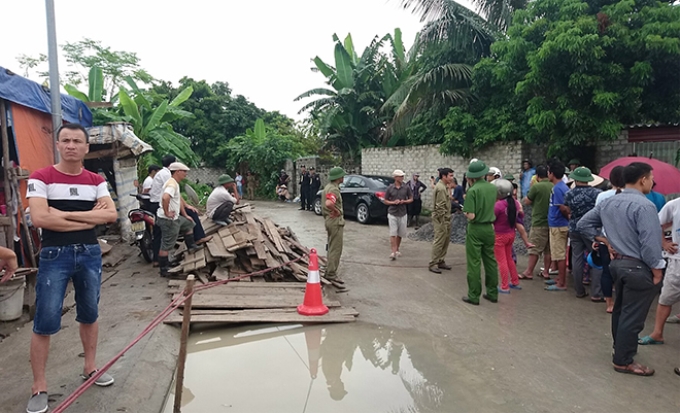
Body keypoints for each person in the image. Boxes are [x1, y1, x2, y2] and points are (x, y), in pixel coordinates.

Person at [26, 124, 119, 413]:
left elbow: (112, 215)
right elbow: (40, 218)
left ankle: (90, 368)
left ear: (86, 147)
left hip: (90, 253)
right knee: (45, 320)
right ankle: (39, 386)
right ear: (57, 144)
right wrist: (90, 218)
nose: (71, 145)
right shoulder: (40, 177)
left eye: (77, 141)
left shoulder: (95, 180)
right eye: (65, 140)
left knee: (90, 313)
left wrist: (63, 213)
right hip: (55, 254)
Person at [577, 162, 664, 377]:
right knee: (633, 316)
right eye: (651, 178)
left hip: (616, 265)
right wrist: (657, 270)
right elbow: (650, 243)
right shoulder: (645, 206)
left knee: (621, 310)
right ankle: (623, 361)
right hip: (637, 267)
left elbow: (583, 224)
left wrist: (604, 240)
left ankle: (620, 349)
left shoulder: (610, 202)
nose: (652, 182)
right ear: (643, 179)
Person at [637, 195, 680, 346]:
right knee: (665, 298)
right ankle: (657, 334)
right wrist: (663, 243)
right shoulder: (674, 205)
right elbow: (656, 224)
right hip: (677, 262)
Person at [462, 160, 499, 305]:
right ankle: (492, 293)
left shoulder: (472, 191)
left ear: (471, 177)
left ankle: (473, 295)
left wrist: (465, 211)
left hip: (476, 228)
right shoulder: (492, 188)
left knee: (474, 263)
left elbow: (471, 215)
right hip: (490, 227)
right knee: (490, 261)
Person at [156, 162, 202, 277]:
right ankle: (164, 269)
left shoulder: (175, 183)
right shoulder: (172, 184)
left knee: (189, 224)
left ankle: (191, 246)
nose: (186, 174)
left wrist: (185, 214)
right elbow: (165, 197)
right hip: (169, 220)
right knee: (166, 244)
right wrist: (167, 212)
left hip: (176, 217)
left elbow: (178, 200)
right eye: (184, 172)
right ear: (177, 172)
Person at [563, 167, 603, 300]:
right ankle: (596, 292)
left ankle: (579, 290)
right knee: (597, 257)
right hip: (592, 229)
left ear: (575, 179)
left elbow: (568, 209)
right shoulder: (597, 193)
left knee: (577, 258)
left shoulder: (569, 193)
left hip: (574, 228)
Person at [595, 165, 625, 313]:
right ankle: (622, 302)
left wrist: (597, 238)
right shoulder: (632, 196)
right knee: (623, 273)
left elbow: (596, 219)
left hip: (605, 238)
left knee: (606, 271)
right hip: (625, 241)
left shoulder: (602, 196)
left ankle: (609, 304)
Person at [521, 166, 553, 280]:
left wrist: (531, 188)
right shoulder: (553, 186)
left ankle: (528, 271)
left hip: (539, 221)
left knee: (534, 248)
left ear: (537, 176)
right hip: (551, 222)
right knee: (548, 249)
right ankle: (546, 272)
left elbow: (527, 201)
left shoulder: (536, 187)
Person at [494, 181, 524, 293]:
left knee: (502, 261)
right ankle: (515, 281)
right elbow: (521, 214)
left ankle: (504, 286)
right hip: (511, 234)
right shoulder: (515, 203)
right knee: (509, 259)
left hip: (499, 236)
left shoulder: (498, 205)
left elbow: (492, 218)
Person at [545, 161, 570, 292]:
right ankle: (559, 279)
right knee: (557, 252)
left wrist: (567, 220)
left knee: (559, 254)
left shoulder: (558, 188)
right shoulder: (560, 187)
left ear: (552, 174)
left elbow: (563, 208)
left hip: (558, 225)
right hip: (557, 224)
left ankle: (562, 283)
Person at [322, 167, 347, 291]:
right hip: (335, 221)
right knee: (336, 248)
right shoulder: (333, 189)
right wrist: (336, 211)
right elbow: (329, 203)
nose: (343, 177)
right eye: (342, 176)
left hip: (329, 220)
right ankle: (331, 274)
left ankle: (329, 270)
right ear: (337, 177)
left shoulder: (329, 187)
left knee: (331, 246)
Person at [384, 170, 413, 260]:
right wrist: (393, 202)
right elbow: (385, 200)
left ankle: (397, 249)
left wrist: (404, 201)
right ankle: (393, 251)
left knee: (400, 233)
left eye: (402, 176)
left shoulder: (406, 187)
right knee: (393, 233)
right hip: (392, 212)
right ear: (395, 177)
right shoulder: (390, 188)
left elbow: (411, 199)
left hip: (403, 212)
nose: (402, 178)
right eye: (400, 176)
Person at [429, 168, 454, 274]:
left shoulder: (444, 187)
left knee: (445, 240)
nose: (452, 178)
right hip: (441, 219)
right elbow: (440, 206)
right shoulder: (440, 188)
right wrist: (442, 220)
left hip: (446, 218)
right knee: (439, 241)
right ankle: (433, 263)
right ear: (444, 176)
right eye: (450, 176)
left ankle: (440, 260)